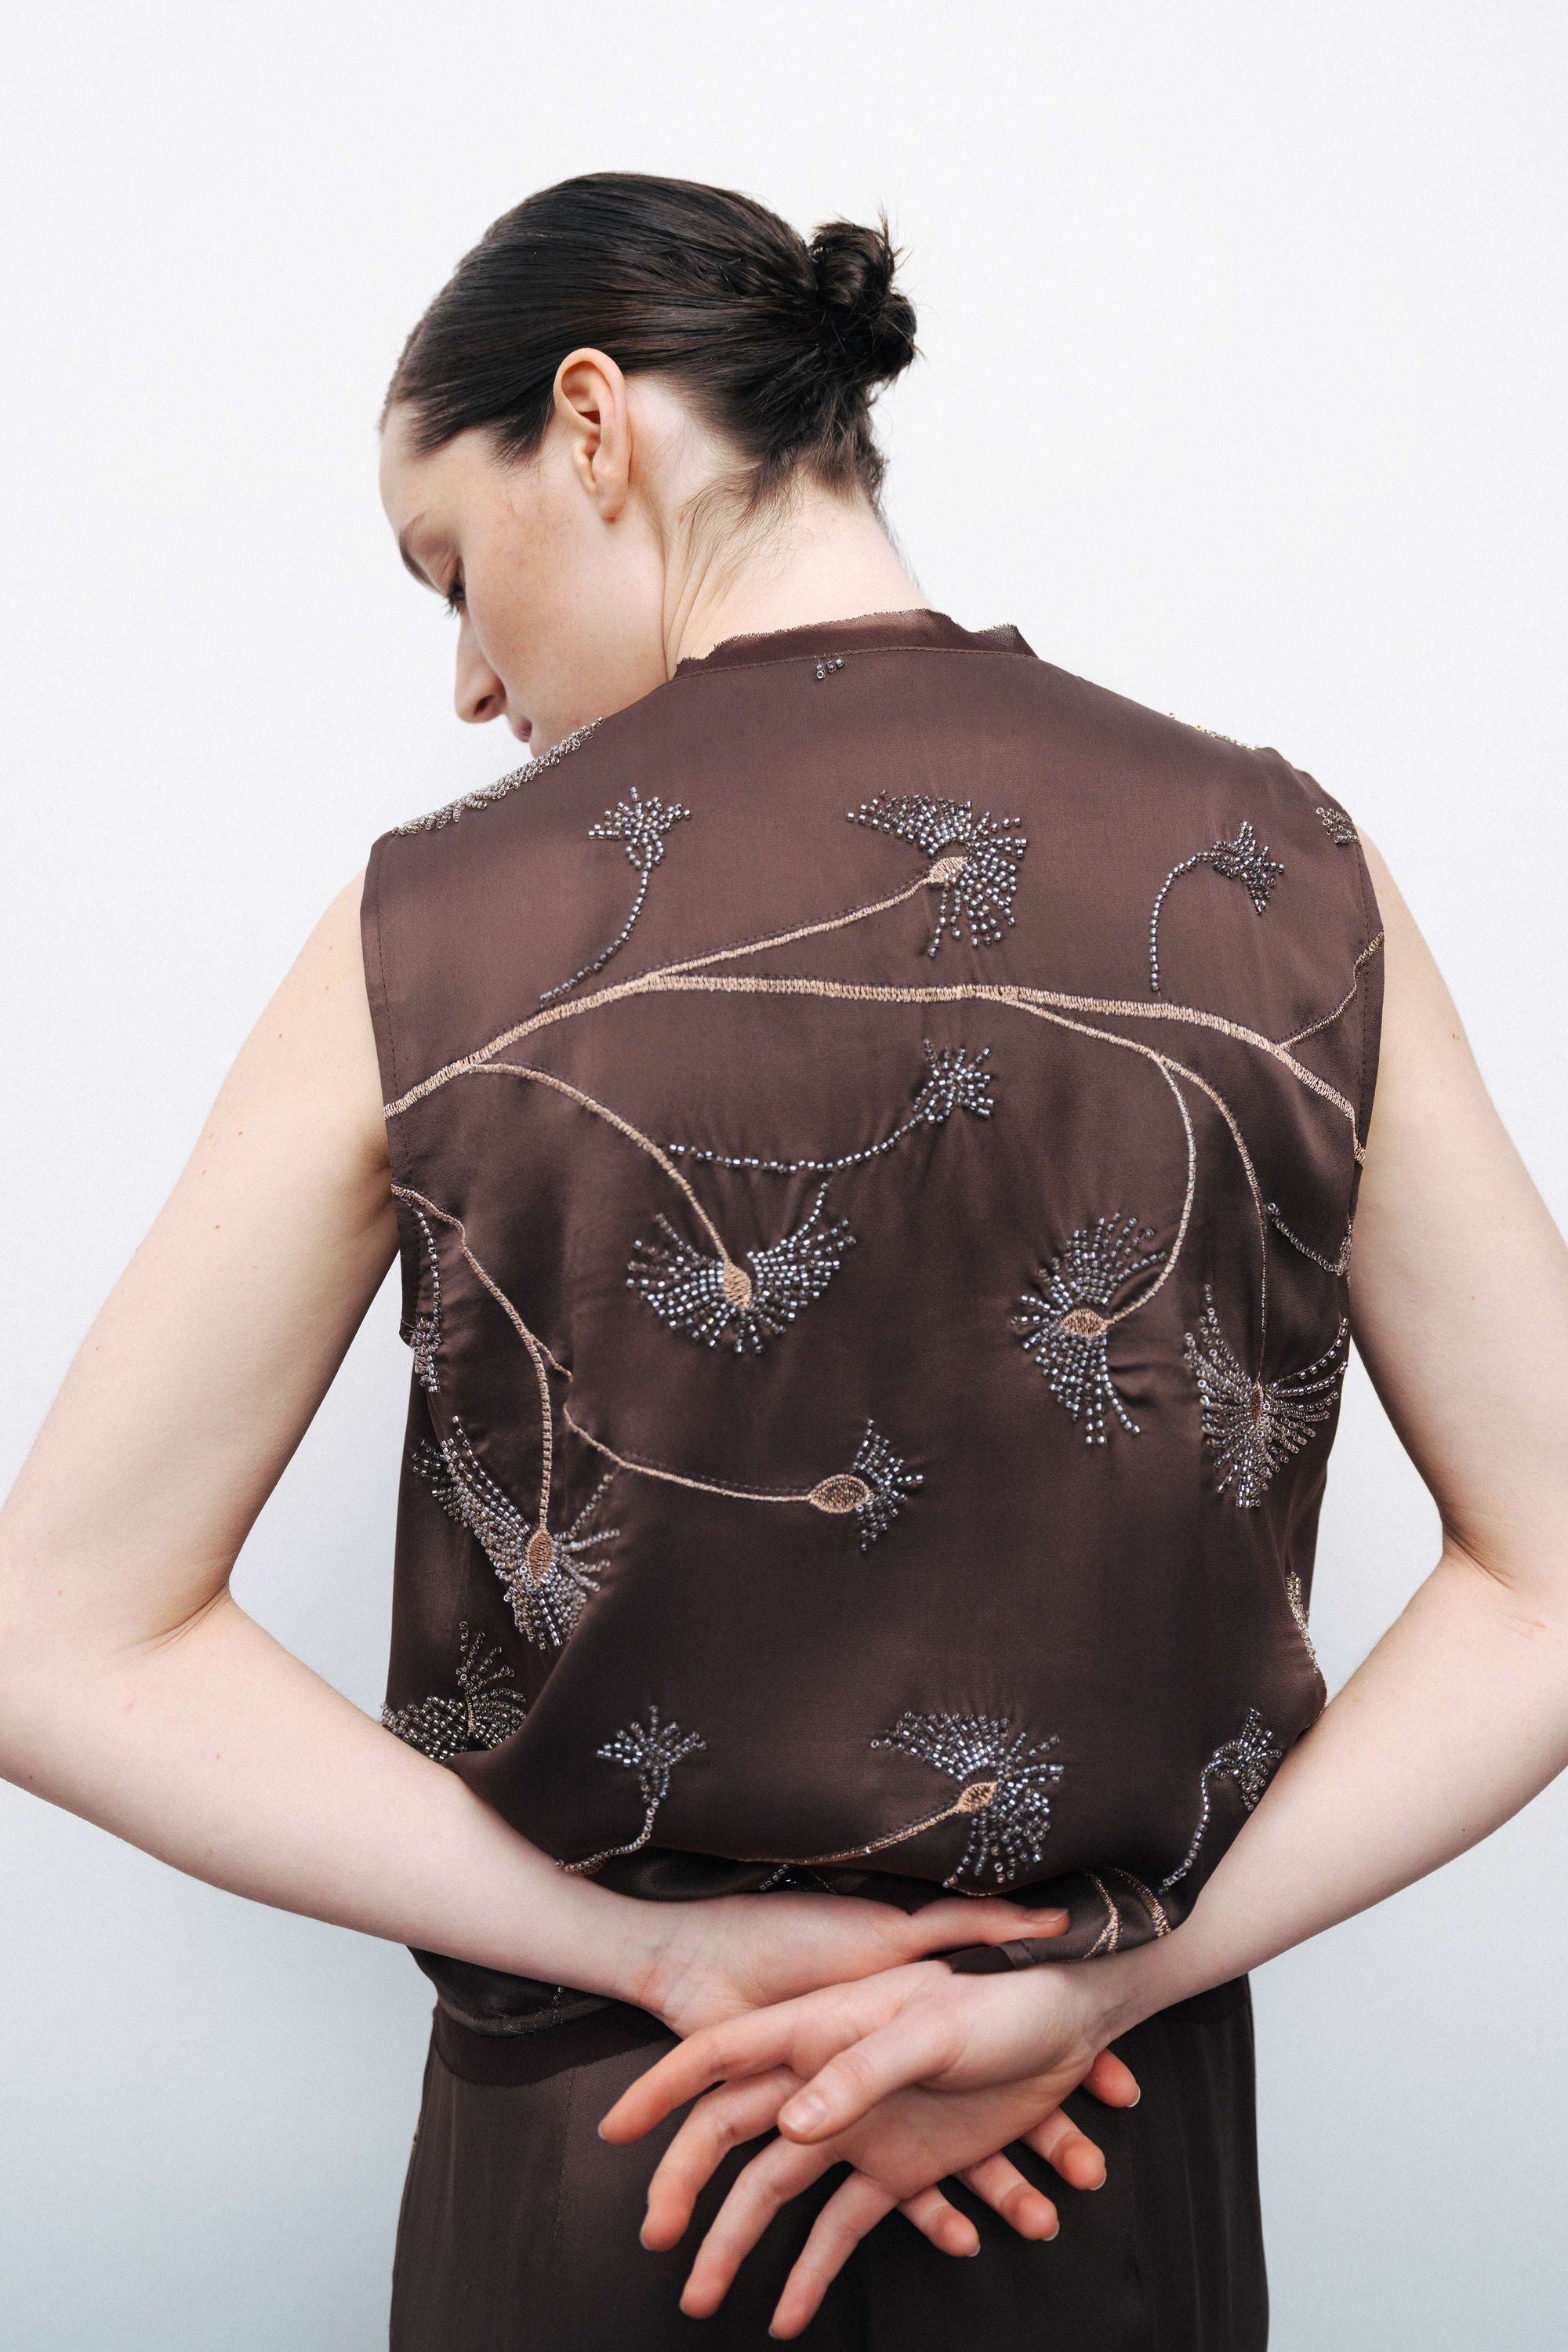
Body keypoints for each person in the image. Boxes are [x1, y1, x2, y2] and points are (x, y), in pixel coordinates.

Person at [2, 170, 1564, 2352]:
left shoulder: (436, 926)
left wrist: (651, 1951)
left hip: (621, 2167)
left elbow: (54, 1634)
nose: (467, 678)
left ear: (593, 425)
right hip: (1101, 2169)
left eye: (450, 566)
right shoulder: (1288, 874)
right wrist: (1107, 1980)